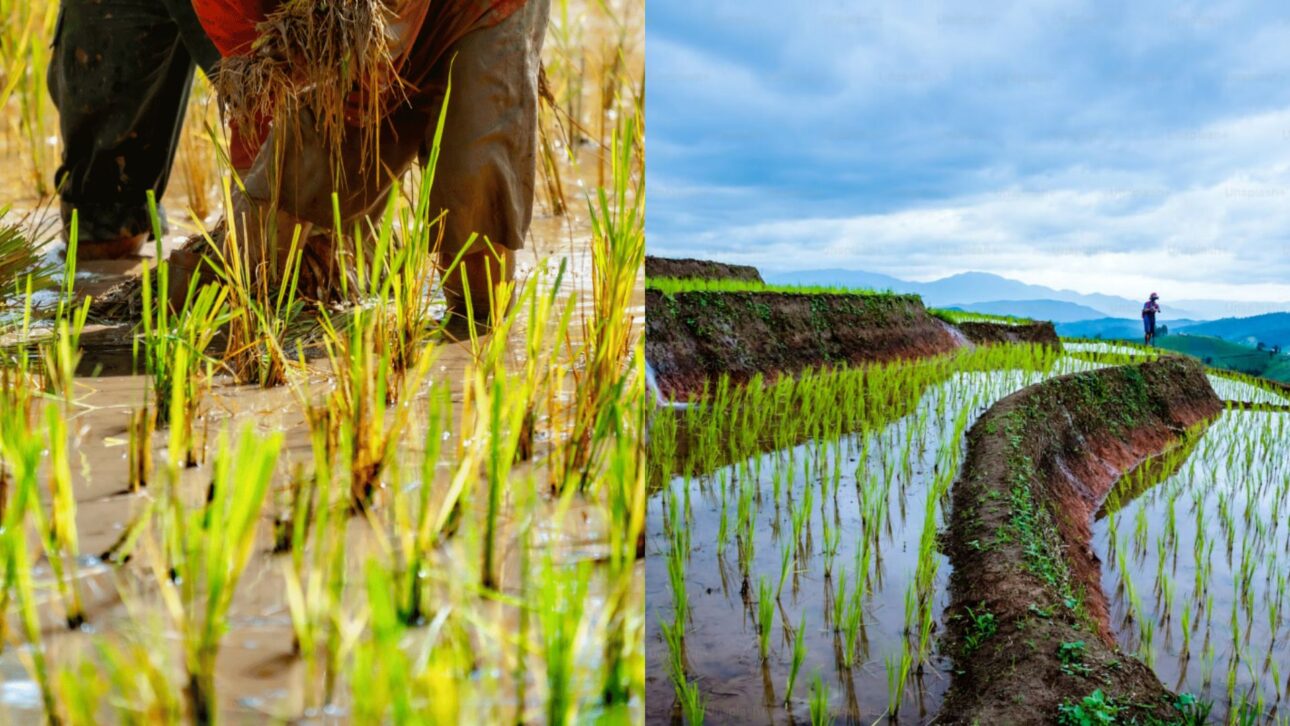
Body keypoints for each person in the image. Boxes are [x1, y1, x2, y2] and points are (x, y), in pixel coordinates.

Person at [48, 0, 548, 333]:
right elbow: (262, 100)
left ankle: (476, 349)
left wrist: (374, 54)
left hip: (481, 8)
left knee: (476, 189)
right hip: (340, 40)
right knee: (272, 218)